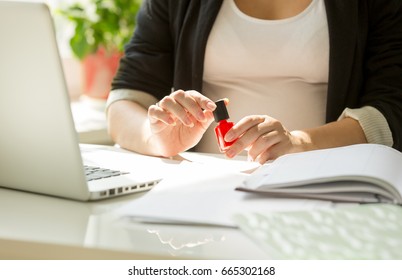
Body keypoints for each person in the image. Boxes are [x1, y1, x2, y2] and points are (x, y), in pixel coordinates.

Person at [106, 0, 402, 164]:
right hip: (204, 189)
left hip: (326, 191)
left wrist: (298, 143)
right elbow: (125, 101)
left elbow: (392, 108)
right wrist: (155, 137)